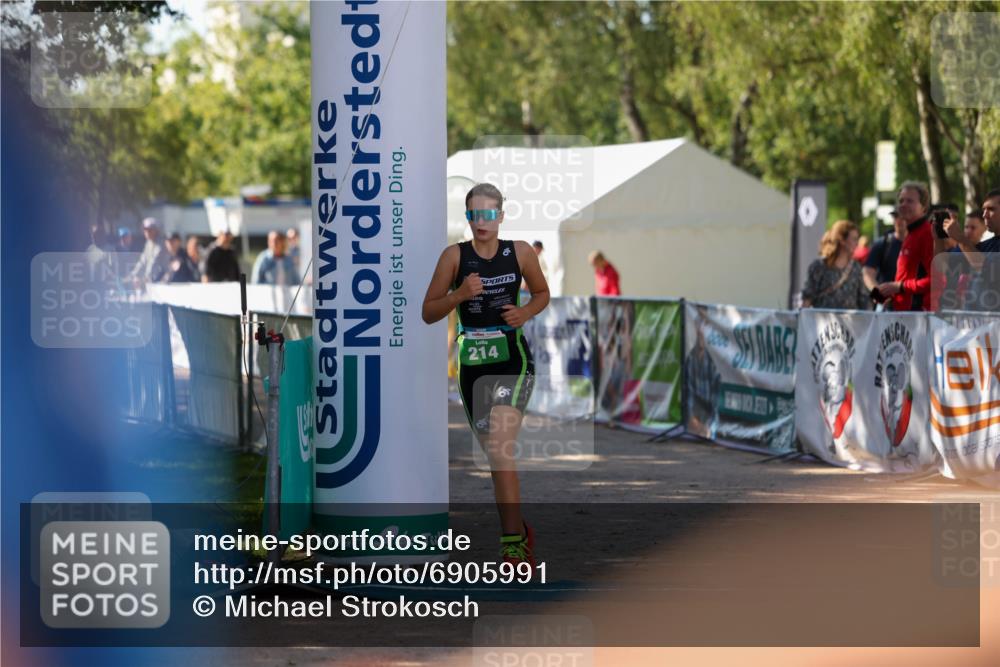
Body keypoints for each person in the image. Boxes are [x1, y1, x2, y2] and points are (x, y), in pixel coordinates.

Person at [422, 183, 550, 570]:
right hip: (473, 367)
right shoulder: (454, 257)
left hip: (513, 360)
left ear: (501, 216)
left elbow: (542, 293)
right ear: (468, 217)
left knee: (500, 448)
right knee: (496, 459)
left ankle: (512, 547)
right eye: (475, 214)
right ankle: (518, 530)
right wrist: (459, 295)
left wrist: (525, 313)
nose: (482, 221)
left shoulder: (520, 252)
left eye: (489, 214)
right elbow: (428, 311)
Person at [874, 181, 935, 311]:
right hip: (903, 315)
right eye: (901, 201)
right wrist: (888, 292)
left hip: (919, 316)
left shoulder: (927, 233)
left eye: (910, 201)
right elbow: (905, 280)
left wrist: (899, 287)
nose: (903, 205)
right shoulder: (911, 233)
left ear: (923, 207)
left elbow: (938, 280)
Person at [944, 188, 1000, 311]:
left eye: (991, 209)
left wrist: (960, 238)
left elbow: (989, 270)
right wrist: (938, 239)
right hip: (978, 319)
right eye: (984, 210)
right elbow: (945, 266)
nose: (984, 215)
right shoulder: (987, 245)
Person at [800, 220, 870, 310]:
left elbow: (864, 299)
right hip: (823, 318)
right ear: (842, 240)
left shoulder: (856, 268)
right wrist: (802, 316)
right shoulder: (818, 266)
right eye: (854, 239)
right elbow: (807, 298)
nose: (857, 243)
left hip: (850, 319)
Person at [862, 210, 905, 291]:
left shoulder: (919, 243)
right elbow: (868, 271)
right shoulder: (882, 243)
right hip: (886, 296)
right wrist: (877, 293)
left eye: (903, 217)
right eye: (896, 217)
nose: (899, 220)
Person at [127, 217, 170, 287]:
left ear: (156, 230)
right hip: (151, 281)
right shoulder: (148, 243)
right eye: (145, 230)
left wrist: (145, 278)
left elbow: (154, 262)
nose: (146, 232)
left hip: (161, 281)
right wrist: (132, 275)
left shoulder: (162, 244)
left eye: (149, 230)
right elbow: (142, 261)